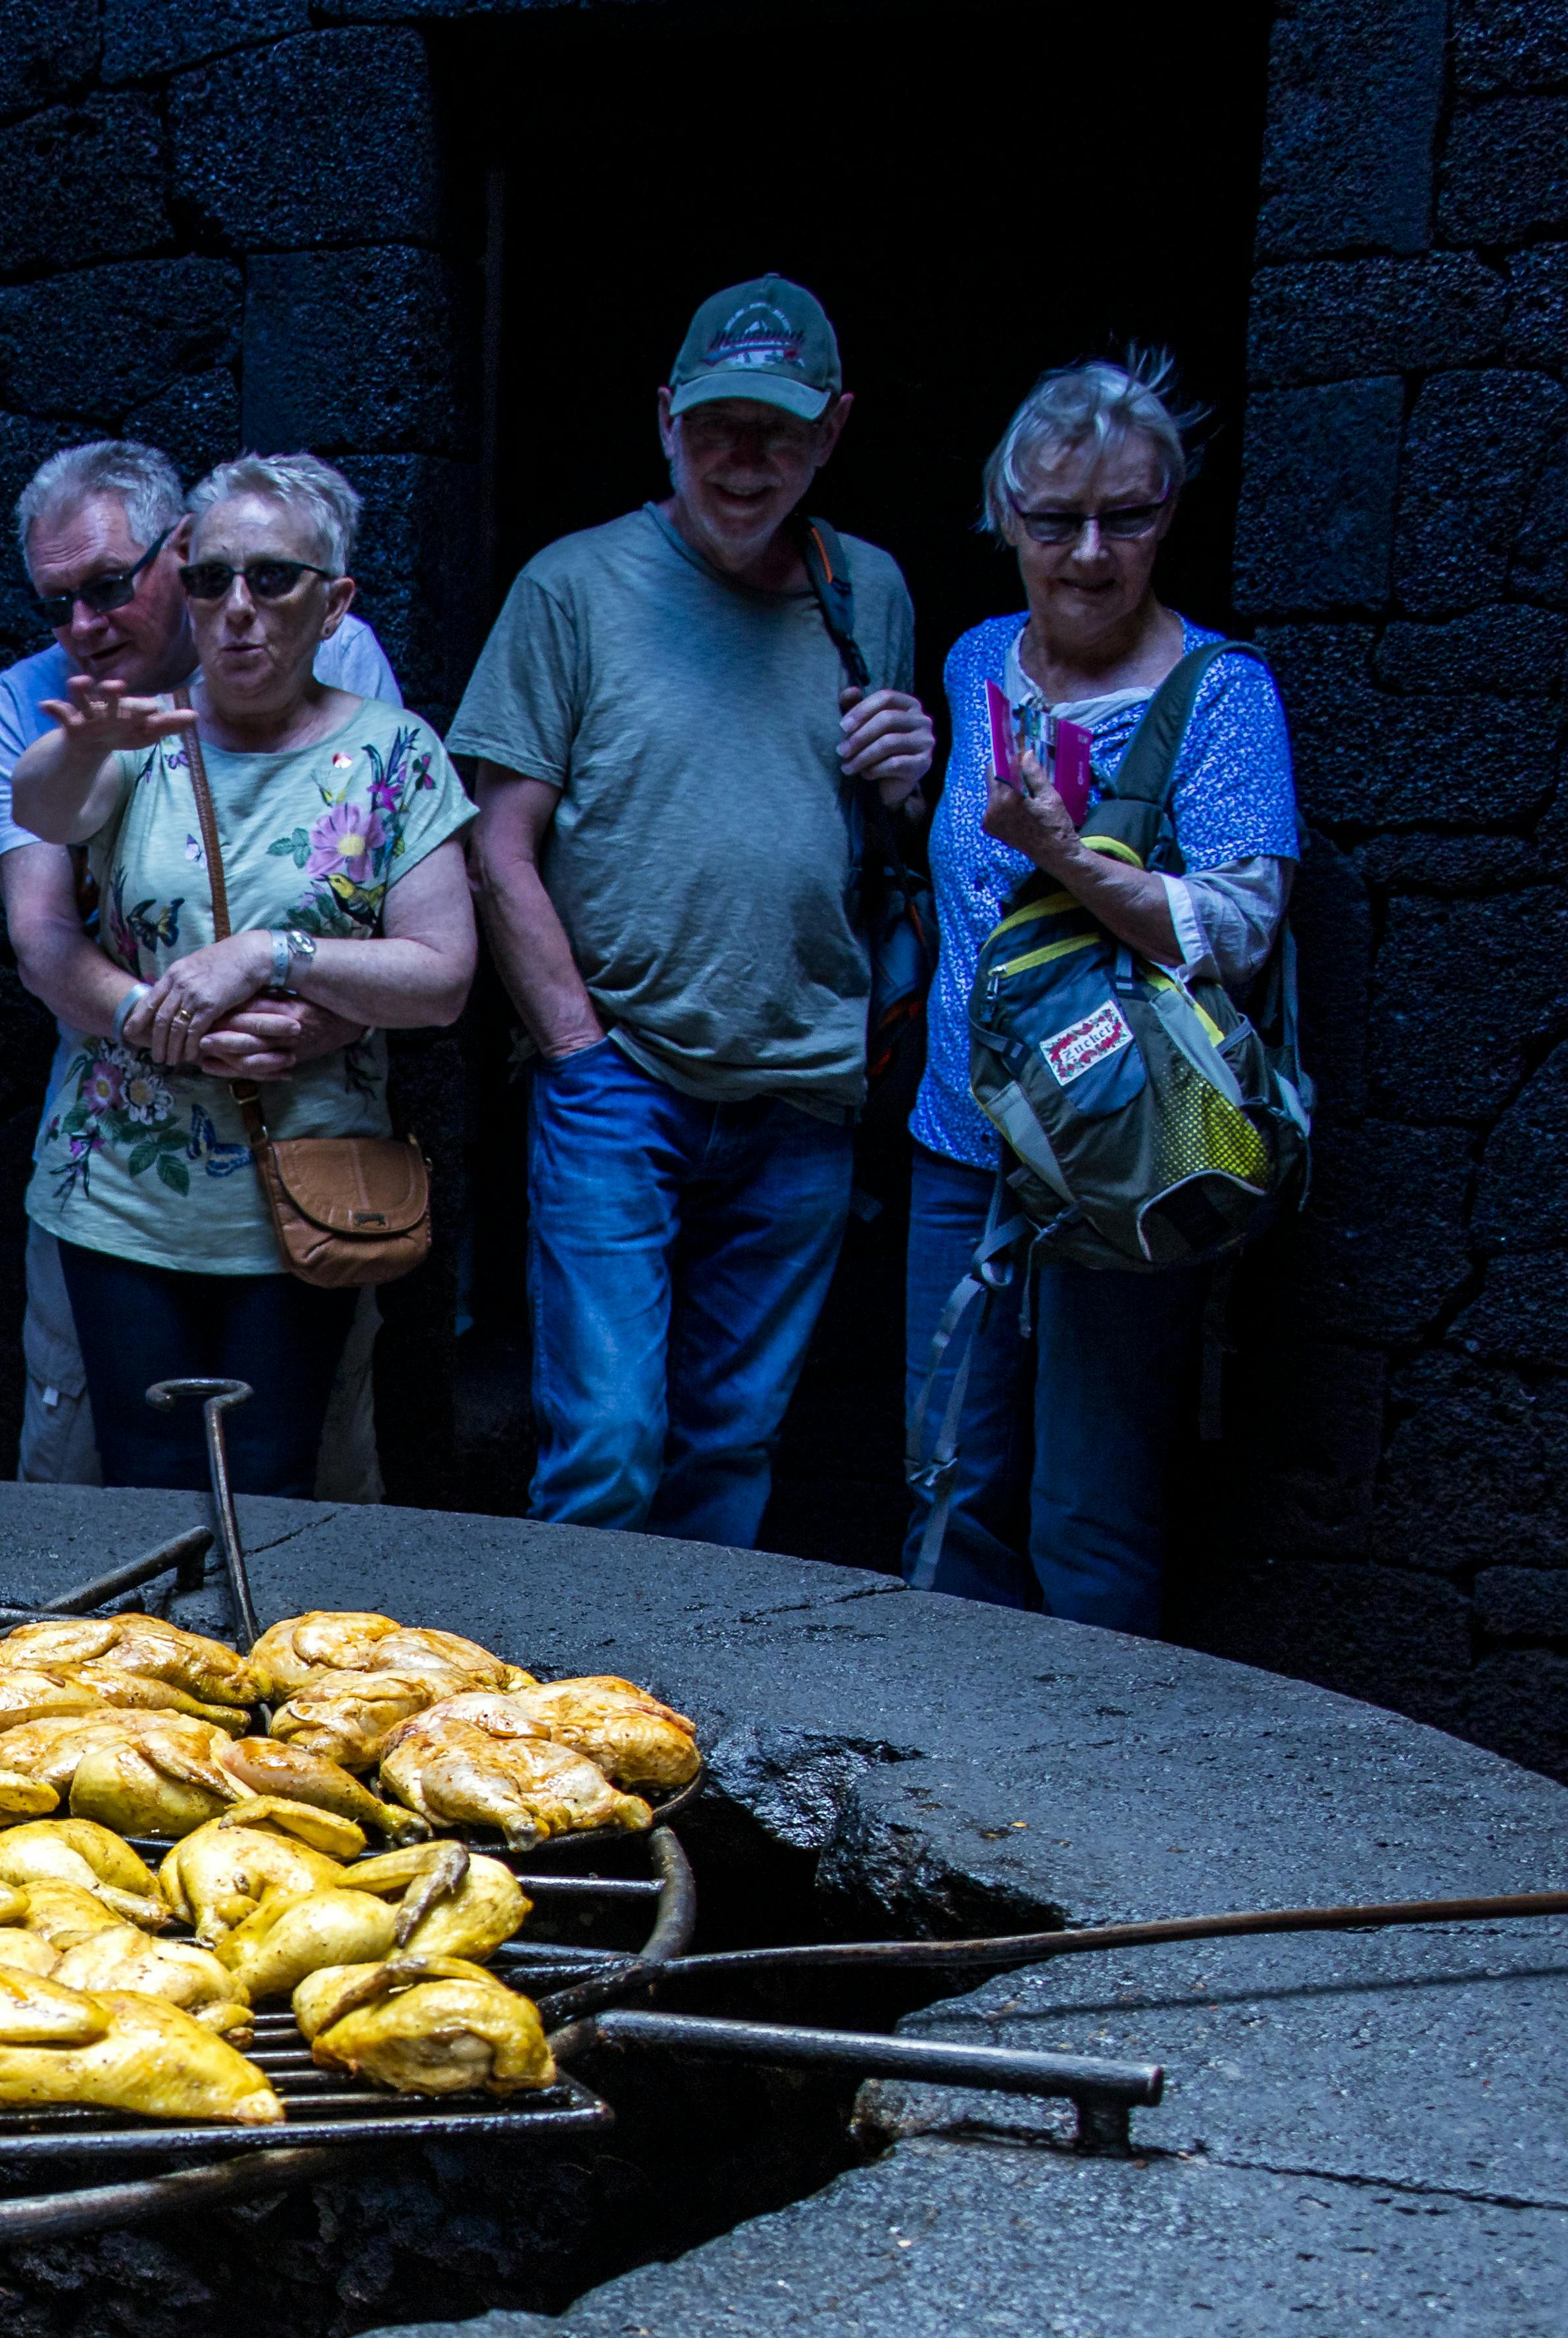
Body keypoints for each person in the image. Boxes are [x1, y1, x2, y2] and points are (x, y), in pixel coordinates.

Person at [451, 275, 938, 1548]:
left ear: (831, 431)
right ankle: (550, 1729)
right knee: (609, 1443)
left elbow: (886, 849)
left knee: (733, 1447)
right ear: (665, 416)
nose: (743, 459)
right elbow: (500, 845)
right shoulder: (574, 586)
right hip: (624, 1076)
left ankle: (681, 1731)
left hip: (802, 1087)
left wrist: (912, 780)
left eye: (777, 430)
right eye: (718, 422)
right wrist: (573, 1046)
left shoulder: (864, 591)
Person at [900, 359, 1301, 1633]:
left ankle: (1080, 1809)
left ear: (1167, 515)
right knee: (949, 1486)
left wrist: (1068, 853)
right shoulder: (975, 664)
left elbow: (1235, 929)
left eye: (1123, 517)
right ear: (1002, 516)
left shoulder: (1218, 693)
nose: (1086, 553)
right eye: (1051, 519)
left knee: (1090, 1513)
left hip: (1122, 1165)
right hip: (962, 1148)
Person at [8, 451, 478, 1493]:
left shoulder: (397, 754)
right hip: (125, 1193)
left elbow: (442, 976)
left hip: (306, 1195)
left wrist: (270, 958)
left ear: (335, 601)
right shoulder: (143, 732)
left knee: (271, 1483)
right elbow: (44, 812)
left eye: (272, 579)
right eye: (213, 578)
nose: (237, 609)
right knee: (141, 1486)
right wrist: (86, 747)